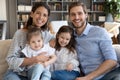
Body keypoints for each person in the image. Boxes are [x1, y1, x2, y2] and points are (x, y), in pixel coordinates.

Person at [68, 2, 120, 80]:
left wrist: (88, 77)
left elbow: (112, 61)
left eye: (80, 13)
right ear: (69, 17)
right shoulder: (70, 37)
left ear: (86, 15)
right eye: (73, 14)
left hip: (109, 74)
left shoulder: (100, 32)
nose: (76, 17)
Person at [3, 2, 54, 80]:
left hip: (34, 73)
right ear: (31, 14)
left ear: (47, 18)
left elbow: (62, 39)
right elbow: (10, 60)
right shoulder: (20, 34)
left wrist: (52, 29)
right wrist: (35, 59)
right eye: (38, 13)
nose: (41, 17)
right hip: (17, 73)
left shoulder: (46, 35)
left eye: (45, 15)